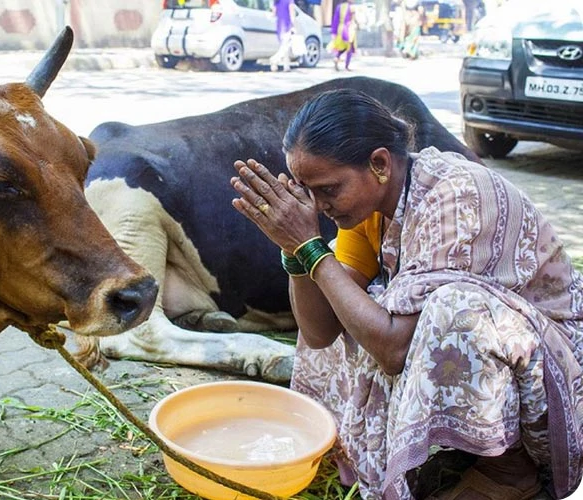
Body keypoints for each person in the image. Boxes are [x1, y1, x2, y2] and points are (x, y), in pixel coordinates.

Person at [229, 89, 583, 499]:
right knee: (344, 296)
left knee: (453, 311)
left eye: (327, 189)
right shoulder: (370, 208)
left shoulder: (456, 195)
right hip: (514, 363)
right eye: (308, 192)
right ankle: (451, 453)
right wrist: (294, 251)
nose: (317, 206)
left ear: (379, 164)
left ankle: (509, 471)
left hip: (561, 370)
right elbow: (319, 334)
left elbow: (393, 350)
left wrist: (312, 250)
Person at [329, 0, 357, 71]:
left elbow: (335, 20)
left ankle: (337, 58)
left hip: (340, 29)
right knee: (349, 48)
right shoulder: (352, 7)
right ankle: (346, 66)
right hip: (349, 29)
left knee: (343, 47)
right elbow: (354, 19)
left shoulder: (339, 7)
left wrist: (334, 32)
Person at [270, 0, 296, 72]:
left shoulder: (277, 1)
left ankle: (286, 66)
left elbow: (273, 14)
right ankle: (274, 60)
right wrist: (293, 26)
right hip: (287, 26)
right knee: (285, 47)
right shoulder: (290, 1)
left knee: (284, 47)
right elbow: (292, 14)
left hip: (279, 26)